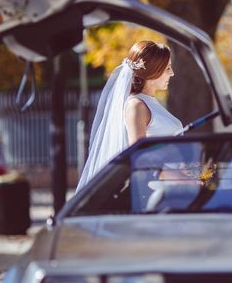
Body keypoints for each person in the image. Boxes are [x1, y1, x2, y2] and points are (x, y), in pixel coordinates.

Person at [76, 40, 183, 191]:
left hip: (172, 185)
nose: (172, 73)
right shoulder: (136, 105)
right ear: (153, 71)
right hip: (157, 190)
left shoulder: (152, 103)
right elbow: (139, 156)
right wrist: (179, 177)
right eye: (168, 68)